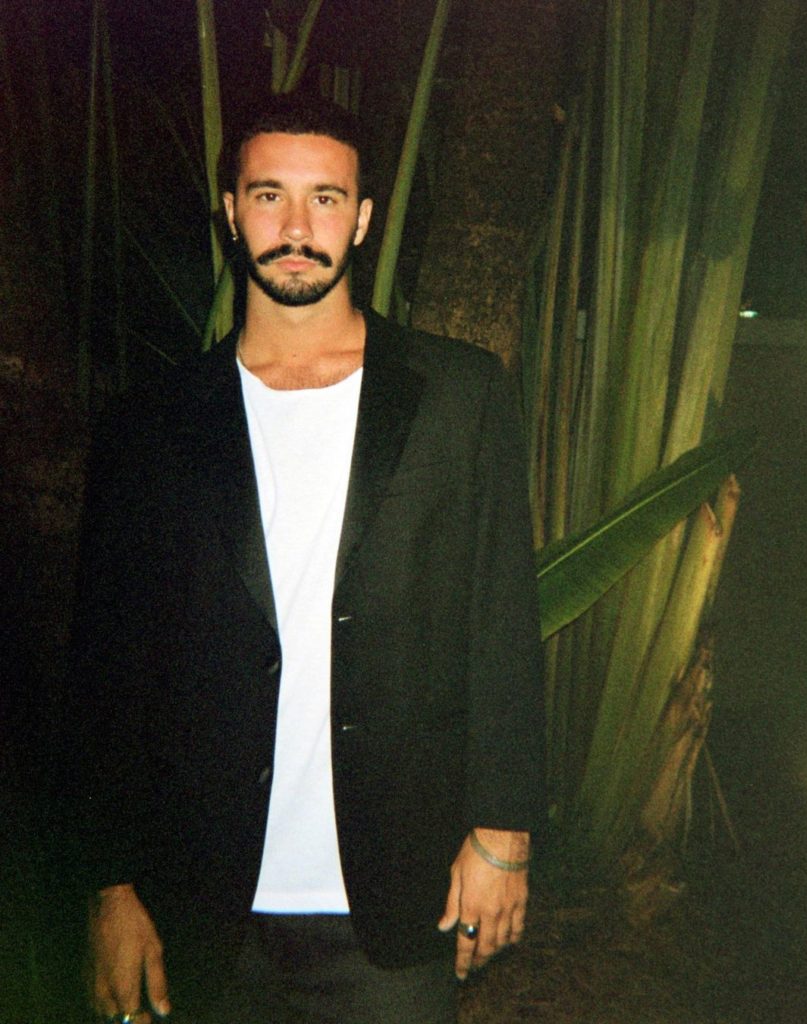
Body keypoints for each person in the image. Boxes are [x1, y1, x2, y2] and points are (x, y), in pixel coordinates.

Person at [70, 94, 544, 1024]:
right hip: (202, 901)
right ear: (231, 211)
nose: (296, 228)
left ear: (361, 218)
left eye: (324, 199)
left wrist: (505, 834)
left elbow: (501, 622)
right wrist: (108, 888)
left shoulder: (458, 395)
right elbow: (106, 671)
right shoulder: (149, 422)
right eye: (269, 196)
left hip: (397, 897)